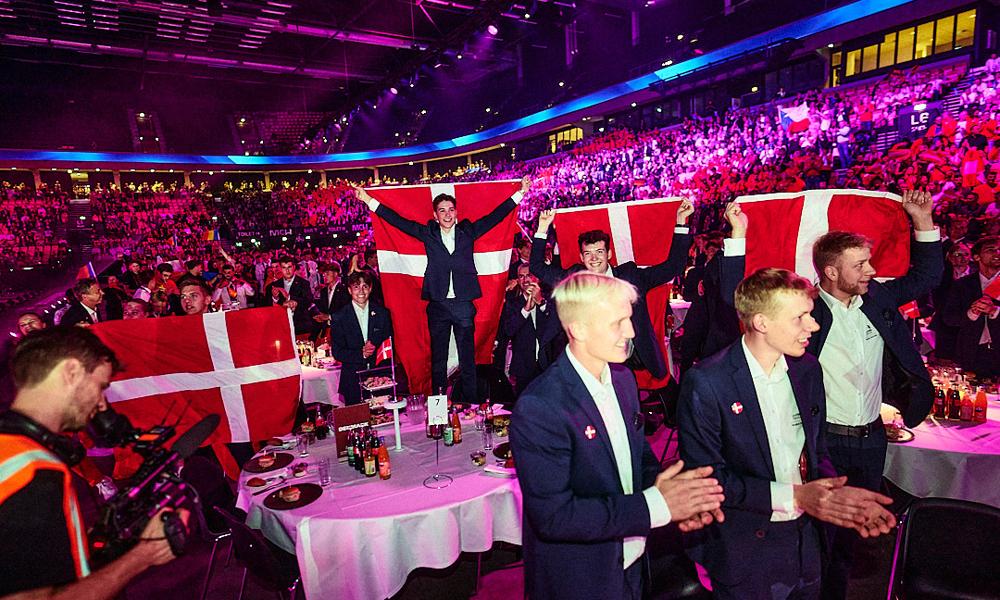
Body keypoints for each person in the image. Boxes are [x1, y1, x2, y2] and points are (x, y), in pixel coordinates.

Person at [719, 189, 941, 600]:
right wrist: (738, 235)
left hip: (872, 438)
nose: (872, 271)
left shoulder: (878, 300)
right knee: (822, 535)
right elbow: (733, 296)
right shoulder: (806, 310)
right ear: (832, 272)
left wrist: (923, 221)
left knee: (853, 537)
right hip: (825, 442)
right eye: (860, 265)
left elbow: (928, 277)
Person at [678, 268, 896, 600]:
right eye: (800, 318)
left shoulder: (807, 370)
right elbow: (707, 480)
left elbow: (817, 452)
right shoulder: (708, 382)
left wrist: (836, 497)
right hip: (744, 549)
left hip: (806, 542)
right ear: (762, 323)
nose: (814, 326)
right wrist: (794, 496)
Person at [511, 272, 726, 600]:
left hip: (632, 563)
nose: (631, 332)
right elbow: (555, 516)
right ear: (578, 329)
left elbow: (637, 460)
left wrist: (678, 496)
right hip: (581, 579)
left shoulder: (624, 380)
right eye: (618, 322)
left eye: (629, 319)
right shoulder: (540, 406)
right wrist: (656, 505)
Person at [0, 327, 187, 598]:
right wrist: (144, 554)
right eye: (101, 388)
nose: (101, 405)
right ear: (71, 372)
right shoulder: (33, 472)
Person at [355, 177, 529, 402]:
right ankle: (438, 405)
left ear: (456, 213)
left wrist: (520, 193)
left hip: (464, 305)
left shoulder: (468, 231)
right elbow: (397, 220)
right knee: (438, 358)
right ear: (435, 215)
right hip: (437, 306)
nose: (447, 214)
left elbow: (495, 216)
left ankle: (471, 403)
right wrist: (368, 199)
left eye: (450, 210)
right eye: (442, 210)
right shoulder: (428, 233)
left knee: (468, 359)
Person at [529, 200, 694, 379]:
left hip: (622, 359)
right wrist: (542, 228)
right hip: (585, 359)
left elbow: (674, 267)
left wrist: (680, 222)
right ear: (581, 257)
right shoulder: (573, 277)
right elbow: (537, 267)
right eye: (588, 253)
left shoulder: (630, 276)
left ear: (608, 254)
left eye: (599, 252)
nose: (594, 258)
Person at [329, 271, 393, 406]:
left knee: (384, 421)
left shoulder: (382, 313)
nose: (361, 291)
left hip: (380, 378)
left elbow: (389, 344)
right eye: (356, 287)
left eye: (365, 286)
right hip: (352, 380)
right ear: (349, 290)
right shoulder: (339, 317)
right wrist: (361, 353)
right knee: (358, 423)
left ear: (370, 288)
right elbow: (337, 352)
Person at [943, 235, 1000, 377]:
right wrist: (971, 313)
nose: (997, 253)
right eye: (991, 250)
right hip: (972, 352)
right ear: (976, 257)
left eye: (999, 250)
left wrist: (994, 311)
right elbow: (948, 318)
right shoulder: (963, 285)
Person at [500, 264, 559, 396]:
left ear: (537, 278)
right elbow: (508, 331)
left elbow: (557, 325)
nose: (525, 280)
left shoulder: (550, 299)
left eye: (529, 275)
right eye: (521, 276)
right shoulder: (511, 303)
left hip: (548, 365)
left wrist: (541, 303)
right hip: (523, 368)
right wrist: (525, 311)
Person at [263, 255, 314, 335]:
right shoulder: (273, 285)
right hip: (280, 326)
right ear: (280, 268)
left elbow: (308, 301)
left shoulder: (304, 283)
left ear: (294, 267)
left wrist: (289, 297)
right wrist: (275, 298)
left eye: (289, 267)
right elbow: (267, 307)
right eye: (284, 268)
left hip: (300, 326)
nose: (287, 271)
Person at [310, 262, 351, 341]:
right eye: (324, 274)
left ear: (335, 274)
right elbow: (323, 310)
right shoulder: (323, 291)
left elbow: (345, 312)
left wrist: (328, 317)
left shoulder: (344, 290)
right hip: (325, 329)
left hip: (340, 329)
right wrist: (320, 316)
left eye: (327, 274)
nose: (324, 276)